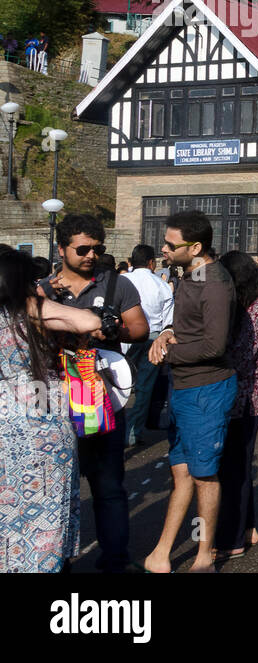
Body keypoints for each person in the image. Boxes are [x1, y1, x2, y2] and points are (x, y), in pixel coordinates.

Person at [41, 214, 149, 574]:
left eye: (97, 249)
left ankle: (115, 561)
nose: (90, 255)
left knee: (108, 486)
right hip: (54, 403)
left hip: (102, 401)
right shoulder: (43, 288)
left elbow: (140, 329)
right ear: (61, 248)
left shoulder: (117, 285)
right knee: (56, 490)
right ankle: (58, 562)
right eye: (82, 248)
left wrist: (111, 330)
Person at [144, 210, 239, 573]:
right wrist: (167, 332)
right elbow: (186, 324)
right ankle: (161, 553)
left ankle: (203, 556)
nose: (164, 249)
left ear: (196, 247)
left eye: (170, 244)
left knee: (203, 475)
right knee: (182, 472)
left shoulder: (213, 283)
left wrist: (168, 352)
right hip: (185, 388)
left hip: (205, 390)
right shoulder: (191, 275)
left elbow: (214, 345)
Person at [0, 248, 104, 572]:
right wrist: (38, 302)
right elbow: (89, 320)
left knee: (8, 511)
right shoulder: (29, 308)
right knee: (45, 508)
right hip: (41, 423)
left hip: (4, 421)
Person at [214, 251, 258, 560]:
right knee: (238, 465)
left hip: (247, 395)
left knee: (234, 468)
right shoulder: (240, 305)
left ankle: (231, 538)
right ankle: (247, 527)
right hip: (234, 393)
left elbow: (242, 353)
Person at [121, 244, 174, 448]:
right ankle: (133, 432)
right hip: (153, 339)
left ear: (131, 261)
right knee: (144, 388)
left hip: (123, 337)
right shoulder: (161, 285)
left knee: (118, 385)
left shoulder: (122, 281)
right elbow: (168, 319)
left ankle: (112, 427)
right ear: (152, 262)